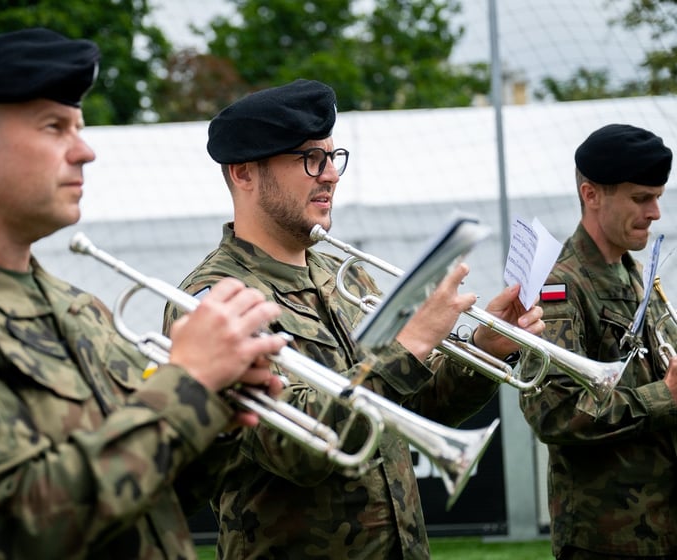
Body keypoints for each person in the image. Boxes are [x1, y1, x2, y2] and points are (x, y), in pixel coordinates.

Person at [0, 28, 289, 559]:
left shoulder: (79, 308)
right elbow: (10, 528)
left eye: (79, 126)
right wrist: (186, 385)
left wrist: (219, 407)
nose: (86, 150)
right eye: (55, 127)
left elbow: (150, 495)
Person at [162, 79, 545, 559]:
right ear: (243, 173)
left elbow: (411, 406)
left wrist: (481, 352)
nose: (330, 176)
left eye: (332, 157)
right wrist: (406, 347)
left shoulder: (346, 275)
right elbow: (294, 448)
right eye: (309, 159)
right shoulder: (214, 300)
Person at [519, 124, 677, 559]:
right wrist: (664, 397)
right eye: (641, 198)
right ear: (592, 195)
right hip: (608, 540)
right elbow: (553, 412)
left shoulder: (633, 274)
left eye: (658, 196)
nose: (655, 212)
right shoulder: (559, 287)